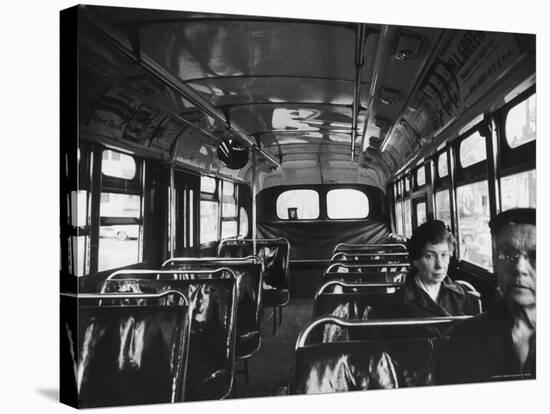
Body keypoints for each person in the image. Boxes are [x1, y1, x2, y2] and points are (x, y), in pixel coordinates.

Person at [438, 208, 536, 384]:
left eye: (536, 256)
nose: (519, 268)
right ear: (495, 263)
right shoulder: (465, 339)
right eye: (507, 254)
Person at [400, 220, 480, 328]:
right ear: (415, 261)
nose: (439, 265)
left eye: (444, 255)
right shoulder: (398, 303)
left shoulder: (461, 295)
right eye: (430, 256)